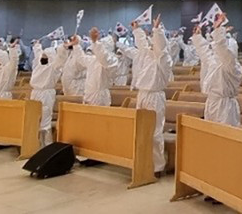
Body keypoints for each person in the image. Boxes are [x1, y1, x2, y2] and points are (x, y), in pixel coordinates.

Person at [125, 16, 173, 174]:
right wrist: (136, 29)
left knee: (155, 131)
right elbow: (142, 44)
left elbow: (161, 47)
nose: (151, 44)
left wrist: (157, 30)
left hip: (155, 97)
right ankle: (143, 161)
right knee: (141, 130)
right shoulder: (146, 55)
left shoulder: (164, 60)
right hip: (142, 95)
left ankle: (157, 166)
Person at [194, 13, 242, 126]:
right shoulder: (215, 63)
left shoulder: (232, 65)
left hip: (225, 107)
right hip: (211, 103)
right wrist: (197, 37)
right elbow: (204, 53)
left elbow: (223, 50)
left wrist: (218, 30)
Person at [72, 28, 119, 106]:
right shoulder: (93, 59)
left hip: (100, 97)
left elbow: (104, 58)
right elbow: (81, 58)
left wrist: (95, 42)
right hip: (89, 93)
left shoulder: (112, 60)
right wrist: (76, 45)